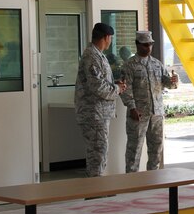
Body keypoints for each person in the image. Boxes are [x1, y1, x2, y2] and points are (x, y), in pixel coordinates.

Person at [120, 30, 178, 172]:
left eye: (150, 45)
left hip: (156, 114)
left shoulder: (157, 64)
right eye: (145, 45)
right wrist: (132, 107)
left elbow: (167, 84)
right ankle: (132, 181)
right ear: (137, 45)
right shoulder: (129, 66)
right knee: (135, 149)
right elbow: (125, 89)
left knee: (156, 148)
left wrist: (173, 81)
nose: (148, 48)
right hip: (138, 114)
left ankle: (153, 178)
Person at [74, 23, 127, 177]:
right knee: (97, 155)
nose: (110, 41)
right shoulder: (92, 56)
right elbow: (97, 87)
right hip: (94, 114)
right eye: (110, 38)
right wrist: (117, 89)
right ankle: (95, 194)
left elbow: (100, 81)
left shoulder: (97, 54)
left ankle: (96, 191)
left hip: (99, 114)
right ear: (106, 37)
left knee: (99, 154)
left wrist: (114, 84)